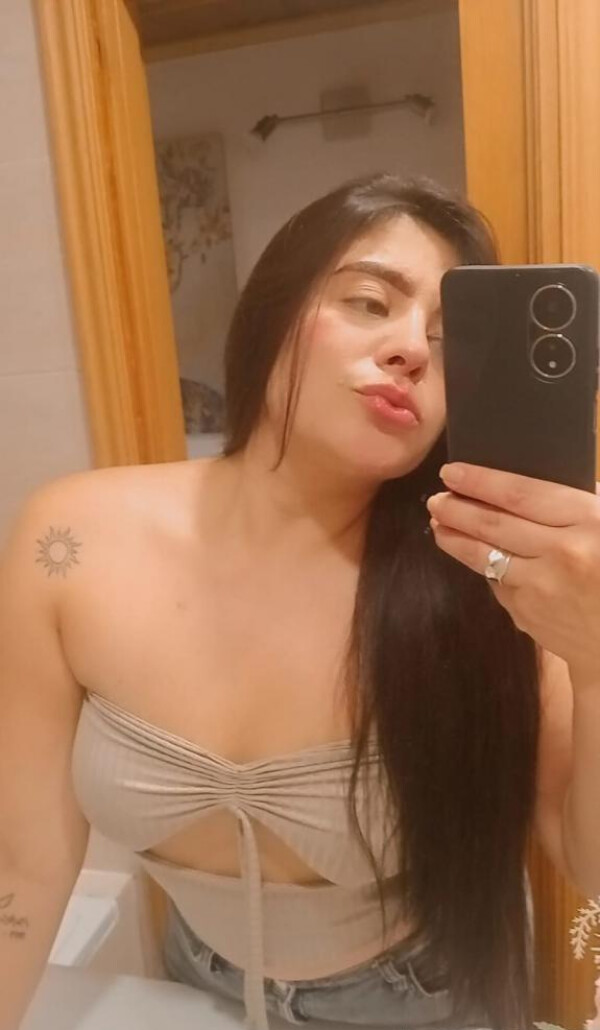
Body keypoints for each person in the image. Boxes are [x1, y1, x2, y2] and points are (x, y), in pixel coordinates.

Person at [1, 174, 600, 1030]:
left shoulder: (486, 575)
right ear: (273, 310)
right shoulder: (67, 543)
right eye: (369, 302)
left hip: (424, 1003)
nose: (412, 349)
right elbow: (22, 867)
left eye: (446, 340)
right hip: (195, 986)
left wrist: (596, 657)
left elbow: (588, 863)